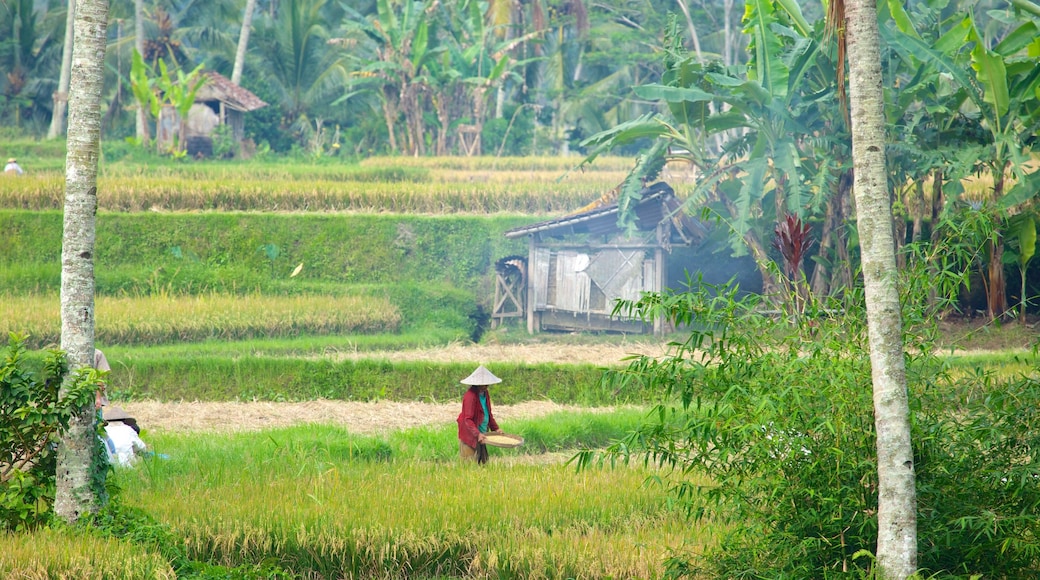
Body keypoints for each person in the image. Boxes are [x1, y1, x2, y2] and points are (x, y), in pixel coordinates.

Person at [457, 365, 504, 464]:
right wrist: (477, 434)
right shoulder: (470, 396)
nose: (486, 386)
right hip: (471, 436)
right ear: (477, 384)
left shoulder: (485, 394)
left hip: (482, 434)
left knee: (483, 463)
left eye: (487, 384)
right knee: (470, 465)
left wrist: (496, 428)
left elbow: (488, 413)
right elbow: (467, 419)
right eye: (483, 384)